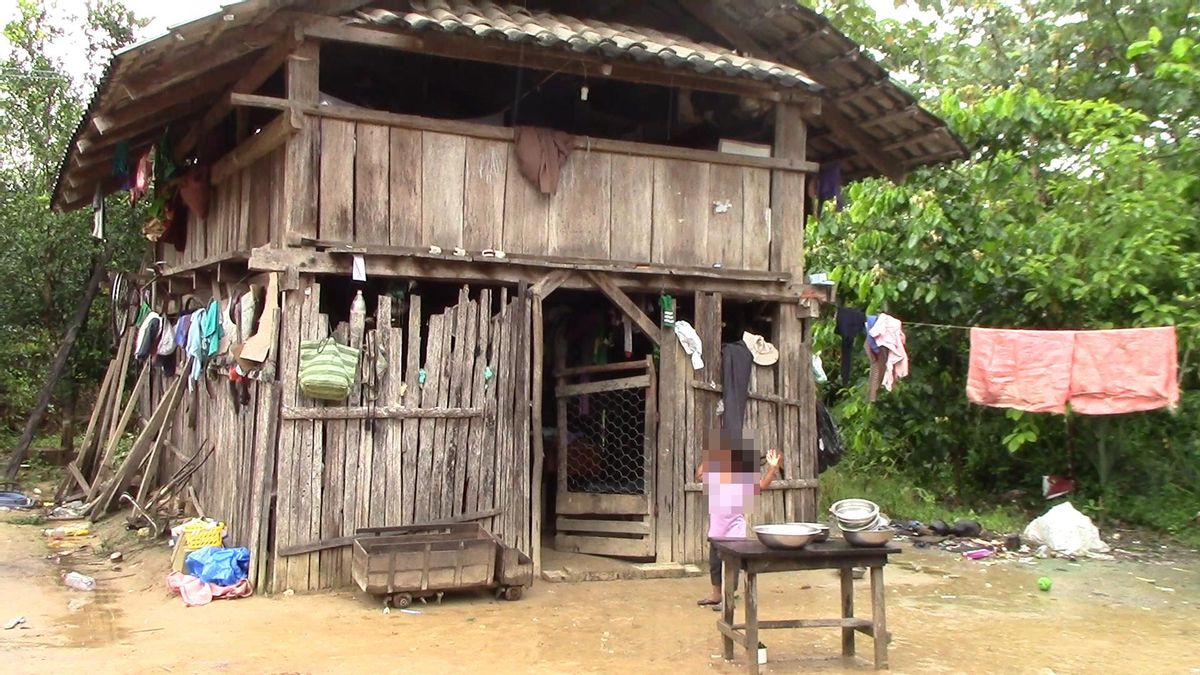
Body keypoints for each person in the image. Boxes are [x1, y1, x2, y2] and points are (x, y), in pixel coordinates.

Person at [695, 434, 781, 609]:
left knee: (732, 567)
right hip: (716, 533)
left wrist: (773, 469)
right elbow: (699, 475)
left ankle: (729, 598)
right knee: (715, 565)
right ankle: (716, 594)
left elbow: (763, 486)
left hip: (734, 533)